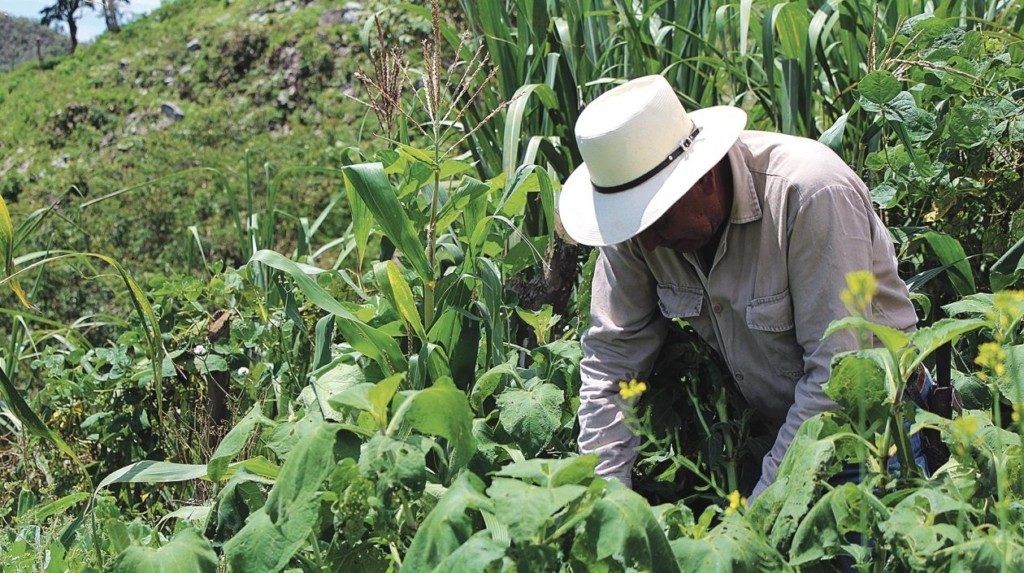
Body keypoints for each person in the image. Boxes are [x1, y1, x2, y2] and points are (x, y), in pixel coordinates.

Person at [557, 75, 921, 503]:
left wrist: (760, 513)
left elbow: (837, 375)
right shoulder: (640, 233)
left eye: (655, 221)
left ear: (706, 178)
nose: (649, 244)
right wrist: (606, 503)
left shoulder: (808, 195)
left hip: (881, 437)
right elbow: (612, 360)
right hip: (781, 437)